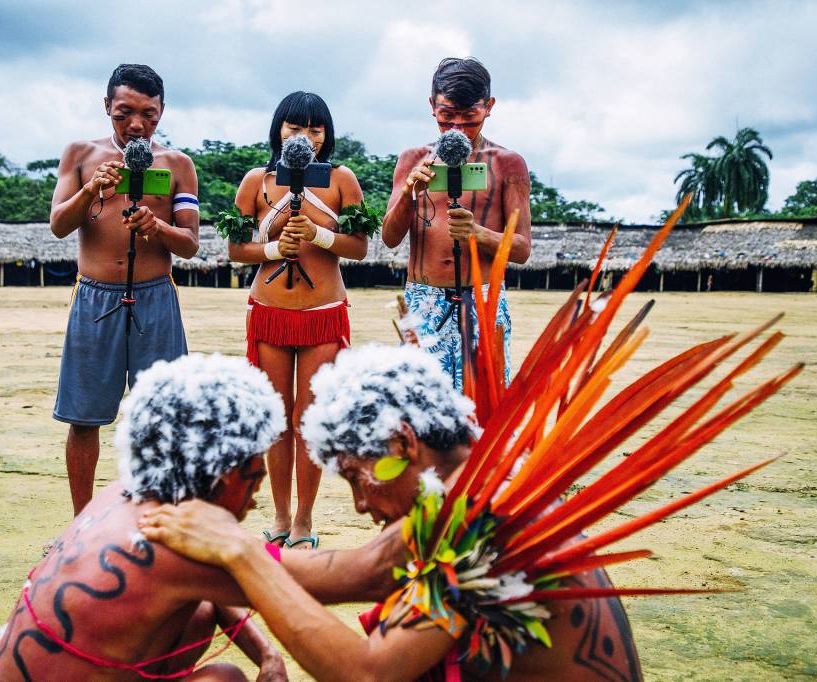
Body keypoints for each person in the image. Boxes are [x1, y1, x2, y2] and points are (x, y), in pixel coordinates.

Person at [140, 346, 642, 681]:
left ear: (402, 442)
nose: (360, 504)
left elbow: (370, 673)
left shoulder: (477, 524)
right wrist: (210, 549)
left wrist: (240, 552)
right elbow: (359, 570)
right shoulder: (475, 486)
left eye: (358, 478)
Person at [0, 352, 410, 681]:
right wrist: (446, 496)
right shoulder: (167, 543)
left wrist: (266, 653)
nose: (252, 504)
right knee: (223, 679)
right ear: (227, 476)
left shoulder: (127, 496)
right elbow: (368, 574)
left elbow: (204, 582)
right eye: (255, 481)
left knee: (210, 631)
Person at [214, 91, 377, 550]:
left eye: (314, 129)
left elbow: (361, 246)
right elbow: (234, 249)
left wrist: (321, 235)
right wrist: (273, 250)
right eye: (294, 127)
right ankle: (282, 516)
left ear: (326, 135)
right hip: (270, 315)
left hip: (324, 315)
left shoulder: (343, 180)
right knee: (277, 418)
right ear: (277, 130)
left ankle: (305, 520)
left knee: (309, 417)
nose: (303, 136)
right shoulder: (256, 181)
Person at [49, 64, 200, 515]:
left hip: (156, 295)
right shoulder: (80, 154)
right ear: (106, 107)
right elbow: (59, 225)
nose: (137, 124)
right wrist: (91, 189)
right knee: (84, 416)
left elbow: (190, 244)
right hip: (95, 295)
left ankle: (159, 519)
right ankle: (82, 524)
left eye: (149, 115)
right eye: (124, 113)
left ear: (162, 111)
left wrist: (157, 226)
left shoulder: (177, 165)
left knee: (165, 416)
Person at [382, 57, 532, 389]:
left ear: (489, 107)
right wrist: (409, 192)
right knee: (419, 406)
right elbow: (390, 238)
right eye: (447, 117)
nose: (457, 130)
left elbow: (521, 250)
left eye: (469, 118)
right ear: (431, 106)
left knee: (482, 409)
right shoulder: (412, 159)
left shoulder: (507, 164)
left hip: (483, 297)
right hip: (423, 297)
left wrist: (478, 233)